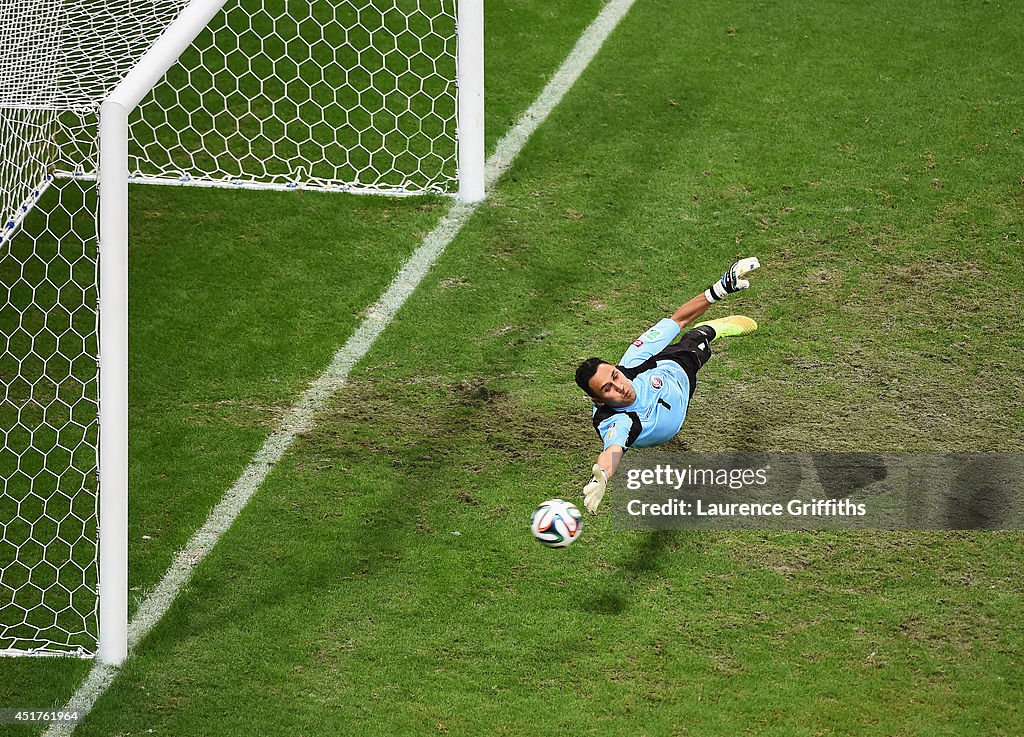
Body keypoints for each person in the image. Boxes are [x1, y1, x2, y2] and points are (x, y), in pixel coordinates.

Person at [575, 257, 762, 514]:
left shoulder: (633, 362)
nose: (619, 386)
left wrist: (720, 288)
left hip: (674, 371)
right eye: (607, 389)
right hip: (676, 407)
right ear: (598, 400)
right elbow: (612, 452)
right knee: (692, 343)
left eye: (616, 376)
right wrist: (601, 478)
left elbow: (678, 319)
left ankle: (710, 330)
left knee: (695, 339)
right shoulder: (617, 422)